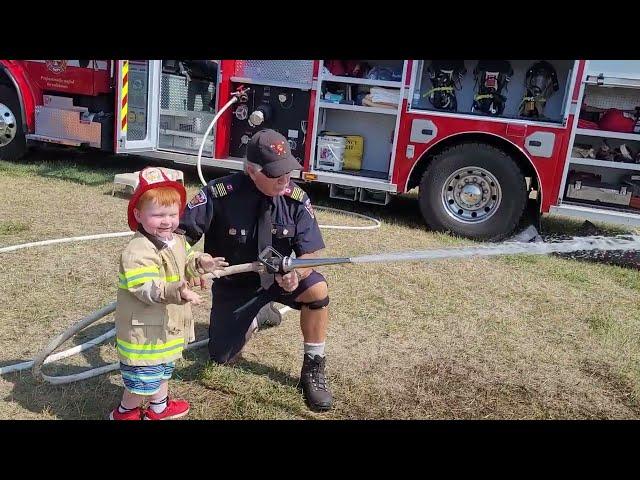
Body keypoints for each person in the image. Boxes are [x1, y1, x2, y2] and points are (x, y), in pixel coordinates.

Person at [180, 129, 333, 411]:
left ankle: (313, 367)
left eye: (288, 171)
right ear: (252, 170)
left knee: (318, 289)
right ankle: (256, 316)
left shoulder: (296, 198)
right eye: (276, 174)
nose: (285, 180)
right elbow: (179, 238)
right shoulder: (219, 194)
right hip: (236, 287)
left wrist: (296, 273)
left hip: (280, 280)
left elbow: (310, 253)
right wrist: (193, 262)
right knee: (222, 357)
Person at [110, 167, 227, 420]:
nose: (167, 221)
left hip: (166, 327)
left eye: (173, 214)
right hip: (144, 333)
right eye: (158, 214)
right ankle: (125, 412)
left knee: (162, 370)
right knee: (141, 380)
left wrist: (200, 262)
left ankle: (159, 409)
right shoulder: (138, 250)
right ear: (138, 215)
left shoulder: (174, 240)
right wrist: (178, 290)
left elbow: (186, 258)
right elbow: (145, 288)